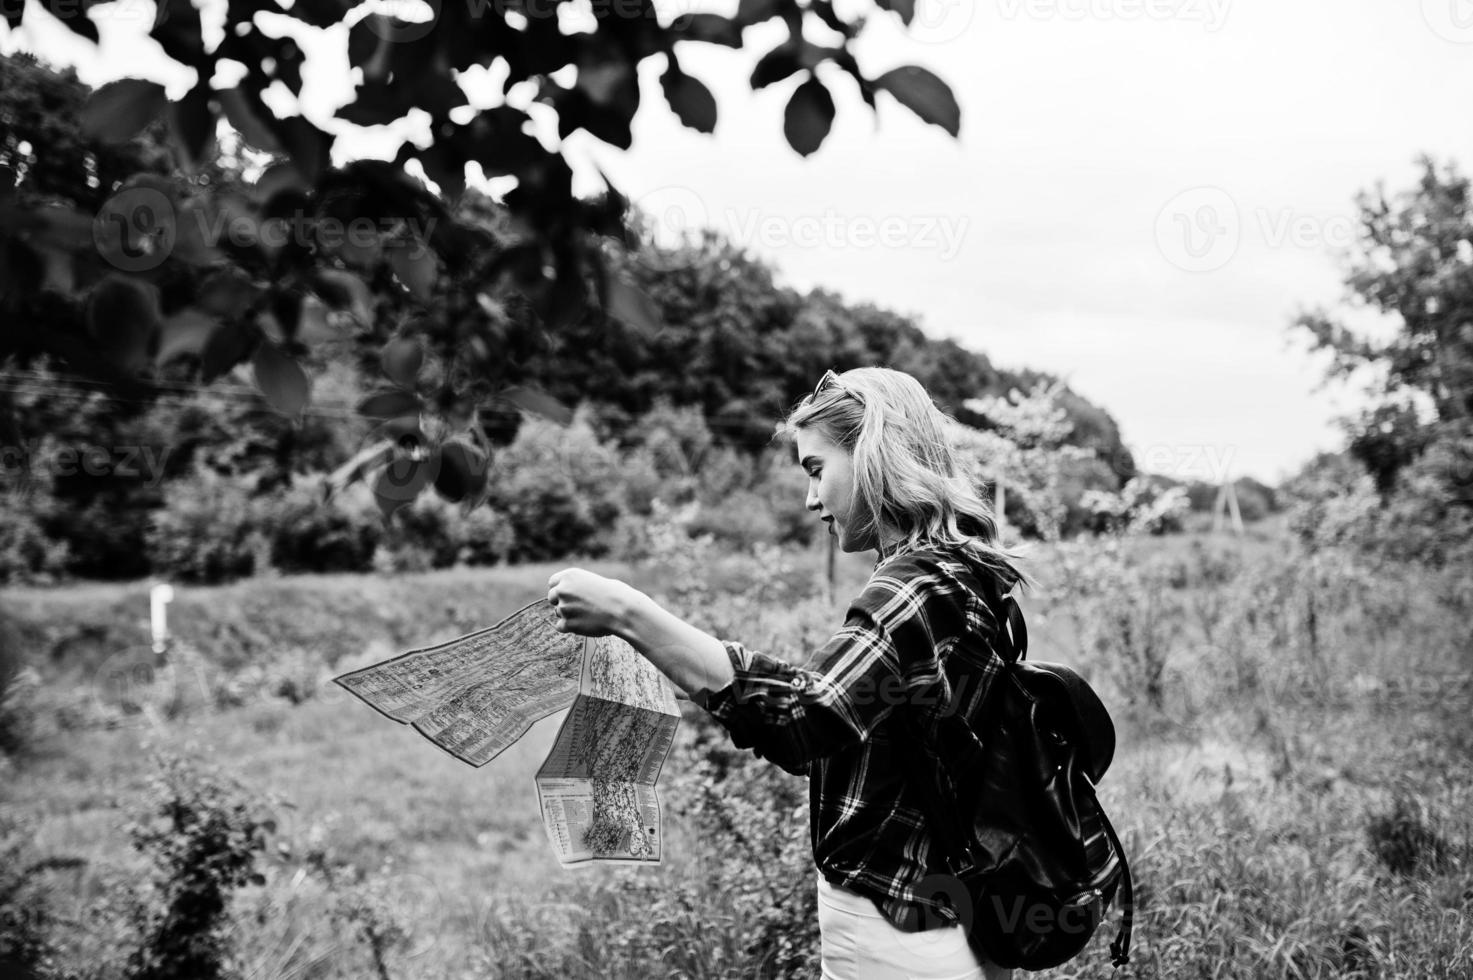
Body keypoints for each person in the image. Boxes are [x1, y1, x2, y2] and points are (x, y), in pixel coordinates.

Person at [546, 367, 1022, 980]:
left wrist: (627, 612)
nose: (809, 498)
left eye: (816, 469)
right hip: (953, 919)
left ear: (874, 454)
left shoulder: (917, 586)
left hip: (899, 931)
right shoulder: (965, 571)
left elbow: (807, 717)